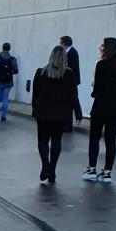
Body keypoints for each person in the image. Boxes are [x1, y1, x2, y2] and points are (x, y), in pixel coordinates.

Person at [32, 45, 77, 183]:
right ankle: (52, 169)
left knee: (42, 140)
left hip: (43, 111)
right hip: (60, 113)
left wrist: (35, 108)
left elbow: (35, 94)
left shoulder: (40, 72)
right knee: (56, 141)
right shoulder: (69, 74)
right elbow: (72, 95)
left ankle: (45, 165)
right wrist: (78, 112)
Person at [82, 37, 116, 183]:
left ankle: (92, 169)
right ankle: (107, 172)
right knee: (111, 140)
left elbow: (97, 89)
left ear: (107, 48)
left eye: (103, 46)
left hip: (101, 106)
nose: (100, 48)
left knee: (94, 138)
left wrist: (94, 89)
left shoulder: (102, 64)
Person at [0, 42, 19, 122]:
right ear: (9, 49)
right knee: (5, 99)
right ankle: (3, 116)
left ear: (2, 48)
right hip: (8, 82)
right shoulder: (13, 59)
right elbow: (16, 71)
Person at [61, 35, 84, 128]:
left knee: (73, 99)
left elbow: (72, 67)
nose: (60, 45)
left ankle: (79, 116)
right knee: (71, 100)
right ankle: (69, 121)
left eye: (60, 43)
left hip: (71, 81)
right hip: (70, 80)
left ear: (64, 43)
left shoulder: (72, 52)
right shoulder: (69, 51)